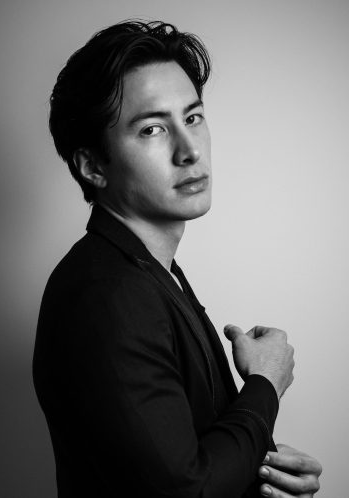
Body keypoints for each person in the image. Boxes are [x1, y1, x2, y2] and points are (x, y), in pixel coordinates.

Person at [33, 20, 322, 497]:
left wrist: (264, 477)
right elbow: (185, 490)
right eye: (152, 129)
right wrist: (265, 384)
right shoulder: (107, 295)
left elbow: (180, 458)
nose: (189, 151)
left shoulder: (149, 271)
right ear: (93, 166)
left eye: (192, 118)